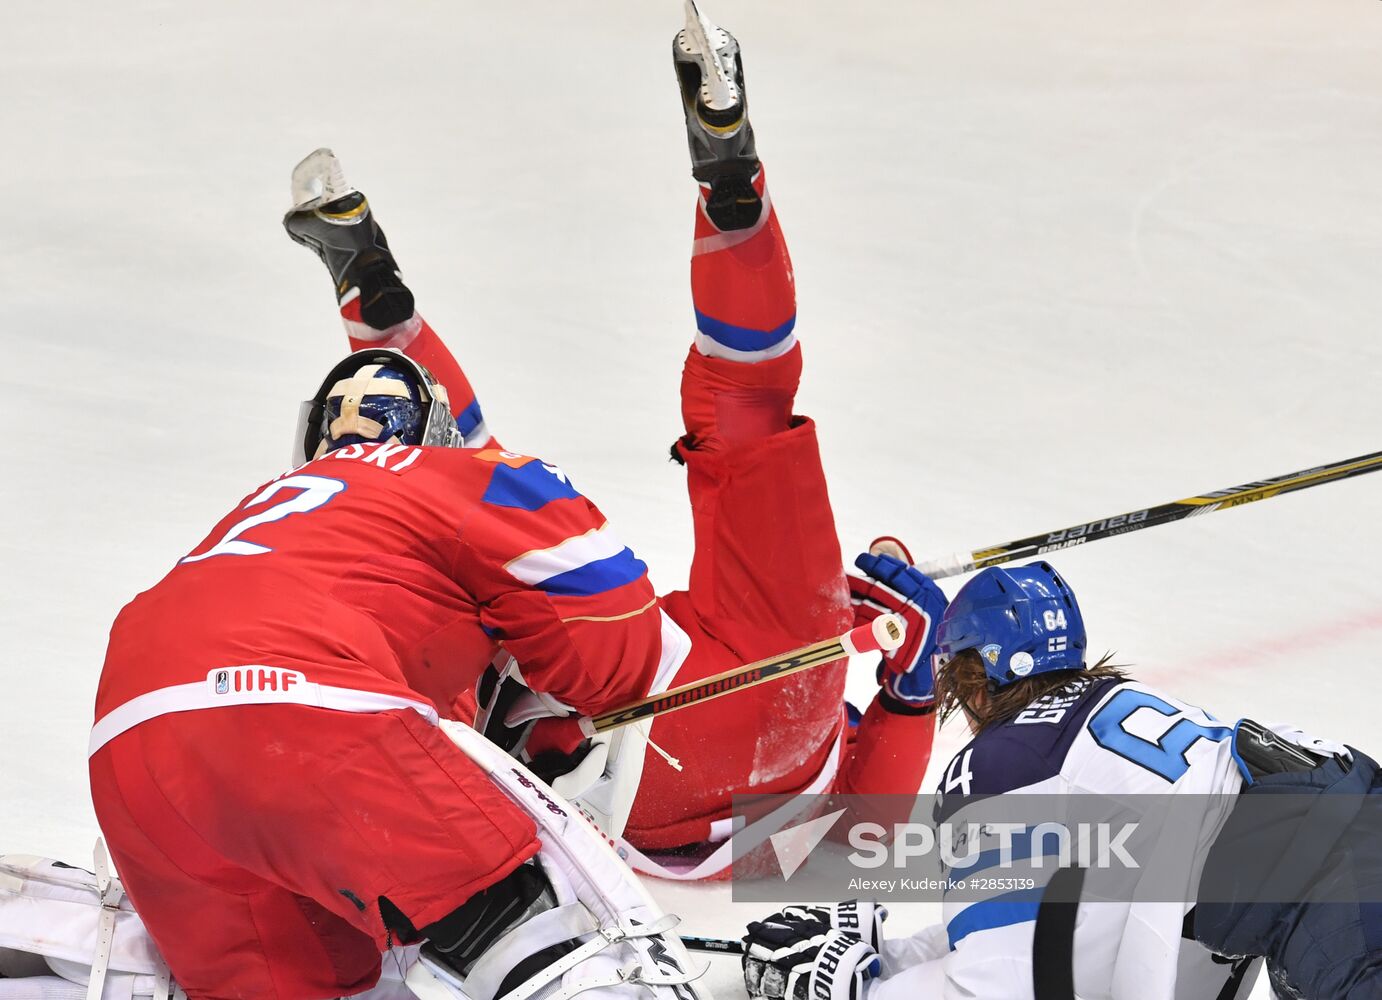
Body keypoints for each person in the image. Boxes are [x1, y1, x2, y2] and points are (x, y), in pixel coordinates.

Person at [280, 0, 949, 882]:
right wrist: (911, 685)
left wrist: (911, 687)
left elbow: (868, 838)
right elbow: (870, 840)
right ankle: (727, 196)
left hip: (679, 741)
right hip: (768, 697)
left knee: (474, 515)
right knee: (732, 411)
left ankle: (383, 319)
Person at [741, 560, 1382, 1000]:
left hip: (1333, 895)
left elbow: (998, 984)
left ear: (970, 675)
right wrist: (903, 953)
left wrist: (861, 983)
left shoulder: (1003, 764)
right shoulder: (1103, 719)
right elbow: (1052, 929)